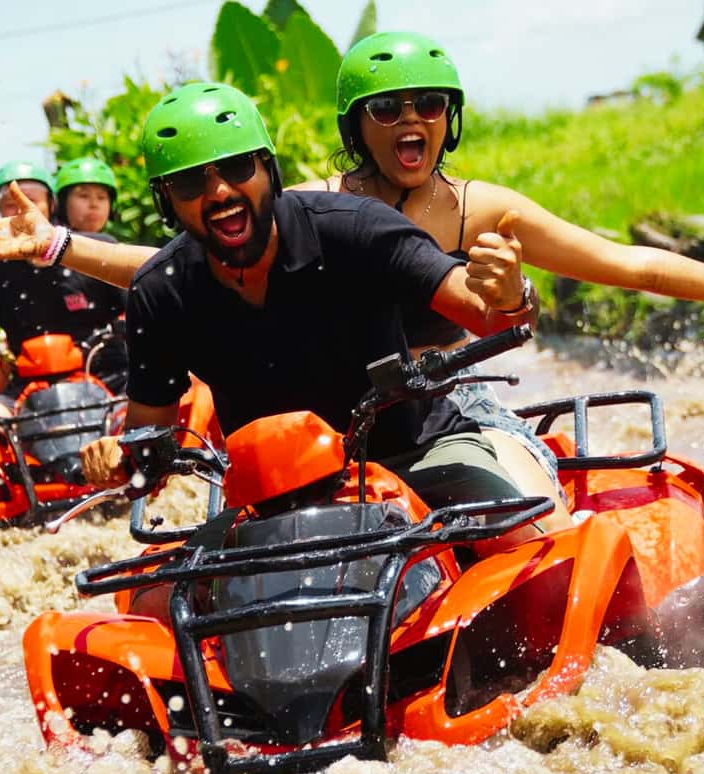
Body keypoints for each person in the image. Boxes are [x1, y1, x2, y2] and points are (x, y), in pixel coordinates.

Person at [0, 36, 704, 519]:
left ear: (447, 122)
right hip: (309, 427)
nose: (408, 120)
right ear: (358, 127)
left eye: (426, 106)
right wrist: (53, 249)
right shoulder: (312, 208)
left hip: (433, 405)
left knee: (526, 508)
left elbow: (631, 264)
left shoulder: (485, 212)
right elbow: (175, 268)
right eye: (387, 108)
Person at [60, 82, 542, 550]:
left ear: (269, 170)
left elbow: (491, 318)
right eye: (190, 182)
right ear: (166, 200)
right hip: (274, 493)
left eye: (235, 166)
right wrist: (122, 460)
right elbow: (151, 444)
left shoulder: (357, 230)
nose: (220, 191)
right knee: (159, 599)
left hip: (415, 452)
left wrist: (509, 291)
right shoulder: (159, 291)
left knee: (517, 539)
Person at [0, 160, 127, 439]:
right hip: (27, 393)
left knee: (150, 428)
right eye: (9, 203)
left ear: (50, 207)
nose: (21, 208)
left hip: (110, 385)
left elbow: (148, 301)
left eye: (31, 200)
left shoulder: (88, 248)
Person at [54, 156, 118, 234]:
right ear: (62, 203)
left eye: (101, 197)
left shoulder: (114, 245)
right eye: (84, 196)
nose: (94, 204)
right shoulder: (50, 243)